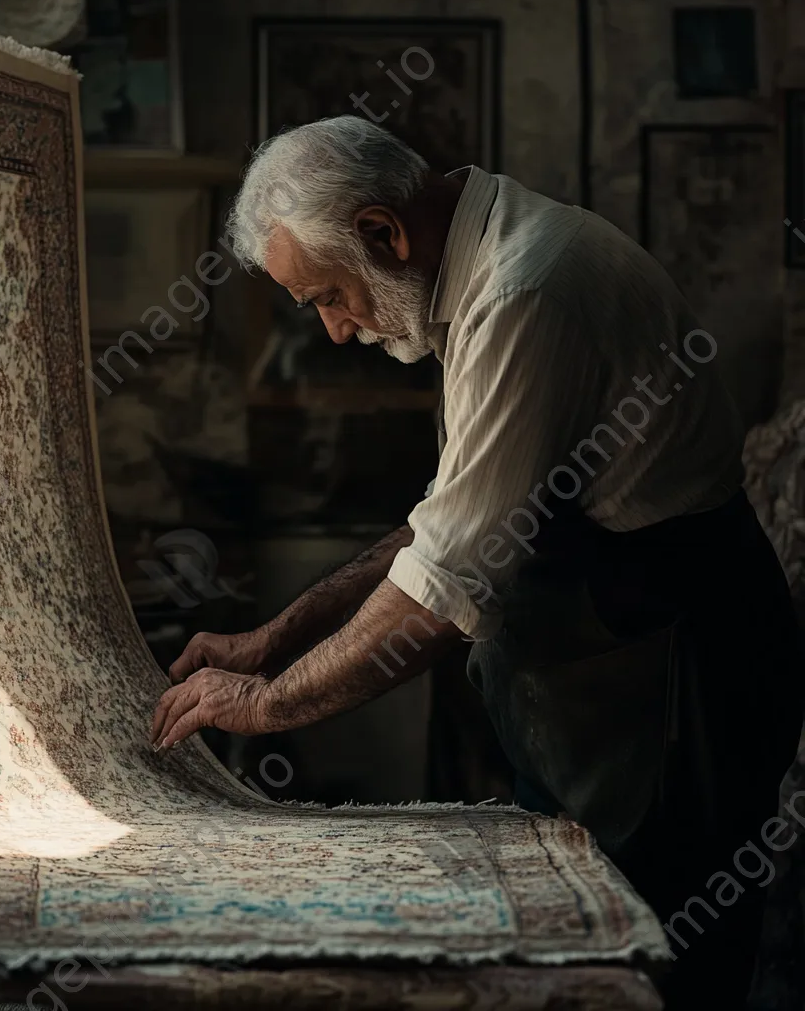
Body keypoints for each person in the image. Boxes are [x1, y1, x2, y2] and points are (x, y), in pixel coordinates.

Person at [148, 115, 803, 1007]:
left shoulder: (525, 293)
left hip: (678, 674)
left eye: (329, 297)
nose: (337, 330)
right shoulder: (486, 265)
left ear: (383, 233)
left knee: (661, 962)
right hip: (608, 658)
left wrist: (265, 705)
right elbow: (442, 527)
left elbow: (439, 589)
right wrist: (274, 636)